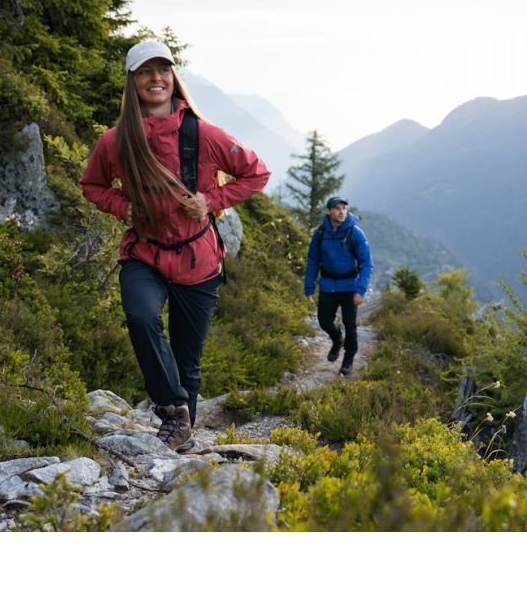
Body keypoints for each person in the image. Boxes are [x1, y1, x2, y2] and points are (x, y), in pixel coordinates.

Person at [80, 40, 270, 451]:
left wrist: (211, 201)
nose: (156, 78)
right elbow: (92, 185)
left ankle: (181, 437)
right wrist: (124, 207)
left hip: (197, 258)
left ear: (173, 76)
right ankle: (173, 412)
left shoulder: (204, 134)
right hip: (144, 252)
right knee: (140, 316)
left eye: (163, 70)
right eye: (145, 72)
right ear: (132, 81)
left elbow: (256, 173)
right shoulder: (116, 141)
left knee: (187, 360)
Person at [304, 196, 373, 376]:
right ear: (329, 211)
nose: (342, 212)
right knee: (324, 321)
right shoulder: (320, 234)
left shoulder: (355, 233)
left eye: (344, 208)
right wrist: (309, 287)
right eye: (337, 208)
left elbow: (366, 264)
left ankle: (348, 359)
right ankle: (337, 339)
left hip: (350, 286)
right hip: (328, 284)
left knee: (350, 325)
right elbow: (313, 261)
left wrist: (360, 290)